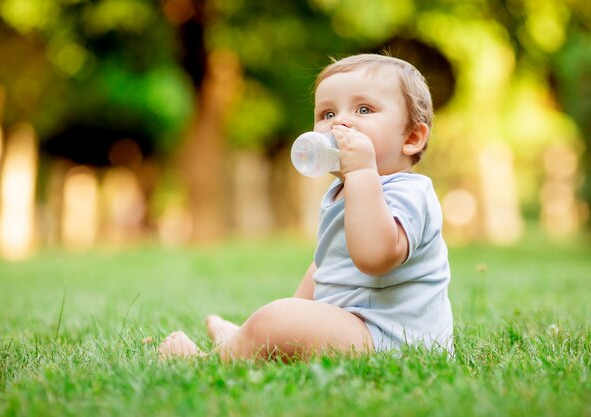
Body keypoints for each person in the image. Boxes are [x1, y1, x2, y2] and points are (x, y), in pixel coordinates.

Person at [158, 53, 453, 361]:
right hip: (359, 328)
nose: (339, 122)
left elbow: (374, 257)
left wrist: (363, 172)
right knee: (277, 321)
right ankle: (246, 340)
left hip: (395, 339)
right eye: (327, 114)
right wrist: (296, 317)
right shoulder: (344, 190)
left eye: (364, 109)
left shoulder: (411, 193)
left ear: (412, 137)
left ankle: (211, 360)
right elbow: (325, 267)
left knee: (276, 321)